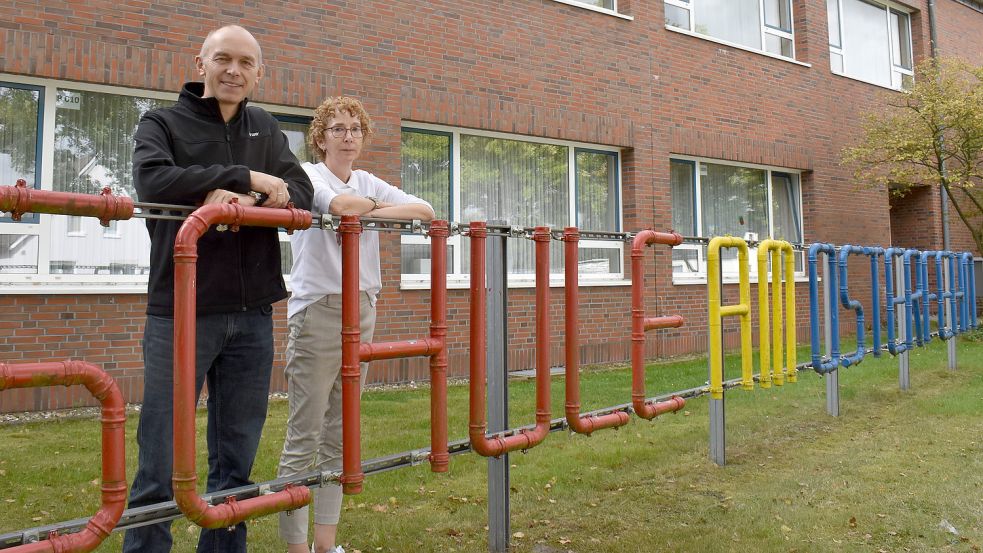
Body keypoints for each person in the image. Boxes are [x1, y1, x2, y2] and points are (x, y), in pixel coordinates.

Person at [124, 25, 314, 553]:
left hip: (253, 314)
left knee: (236, 455)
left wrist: (244, 201)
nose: (234, 71)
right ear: (201, 62)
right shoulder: (161, 122)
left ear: (259, 73)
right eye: (223, 59)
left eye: (246, 63)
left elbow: (299, 189)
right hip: (180, 310)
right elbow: (153, 181)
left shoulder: (266, 127)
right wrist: (249, 175)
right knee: (160, 452)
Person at [277, 97, 434, 553]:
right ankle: (296, 548)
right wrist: (369, 210)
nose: (348, 137)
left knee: (341, 430)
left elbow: (422, 209)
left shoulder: (366, 180)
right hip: (318, 309)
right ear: (320, 137)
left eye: (355, 129)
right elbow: (340, 205)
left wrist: (366, 209)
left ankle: (326, 545)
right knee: (305, 431)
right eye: (338, 129)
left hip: (362, 306)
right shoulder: (308, 176)